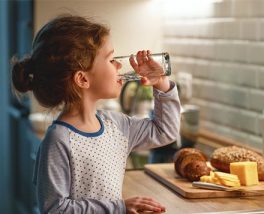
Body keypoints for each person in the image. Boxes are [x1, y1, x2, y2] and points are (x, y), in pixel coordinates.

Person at [11, 14, 180, 213]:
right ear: (82, 79)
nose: (118, 65)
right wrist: (118, 207)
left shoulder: (116, 125)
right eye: (110, 59)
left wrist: (161, 84)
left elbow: (165, 131)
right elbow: (55, 209)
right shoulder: (58, 141)